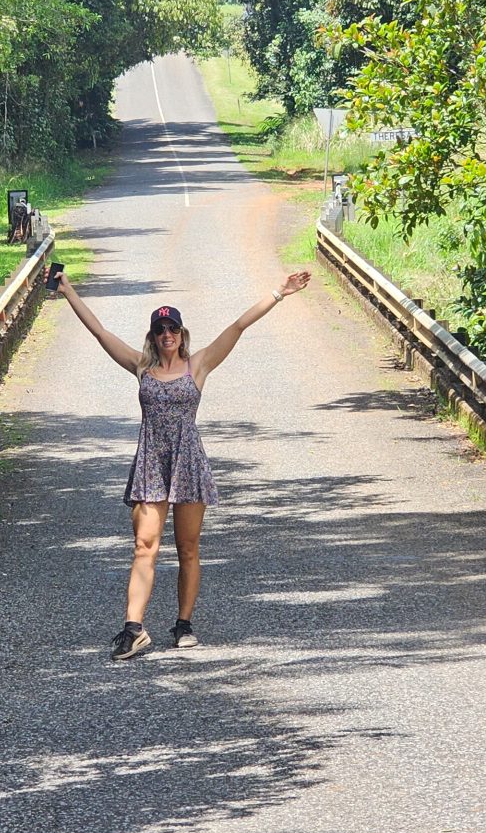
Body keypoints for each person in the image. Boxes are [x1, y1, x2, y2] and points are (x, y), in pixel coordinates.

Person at [55, 268, 312, 659]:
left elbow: (238, 326)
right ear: (153, 336)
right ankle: (133, 628)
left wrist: (281, 291)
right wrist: (68, 291)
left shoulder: (199, 364)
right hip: (151, 465)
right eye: (160, 330)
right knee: (144, 546)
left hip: (188, 463)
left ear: (181, 333)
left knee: (188, 548)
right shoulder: (141, 367)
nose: (167, 335)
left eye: (172, 328)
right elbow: (100, 332)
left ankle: (184, 624)